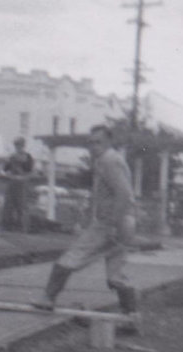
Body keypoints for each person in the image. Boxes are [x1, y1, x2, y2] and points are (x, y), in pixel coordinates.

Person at [33, 125, 141, 334]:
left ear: (109, 142)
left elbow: (124, 194)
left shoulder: (109, 160)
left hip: (112, 222)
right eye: (90, 142)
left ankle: (48, 298)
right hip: (123, 222)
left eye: (98, 142)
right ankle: (132, 317)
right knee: (116, 275)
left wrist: (112, 225)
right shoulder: (107, 160)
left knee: (69, 259)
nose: (93, 146)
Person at [2, 136, 34, 231]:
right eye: (16, 145)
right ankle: (8, 226)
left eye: (20, 145)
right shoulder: (11, 157)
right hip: (12, 183)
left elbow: (30, 172)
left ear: (23, 146)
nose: (18, 147)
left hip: (22, 184)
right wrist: (10, 175)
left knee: (22, 205)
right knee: (8, 205)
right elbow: (5, 169)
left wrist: (23, 177)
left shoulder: (28, 157)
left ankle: (22, 226)